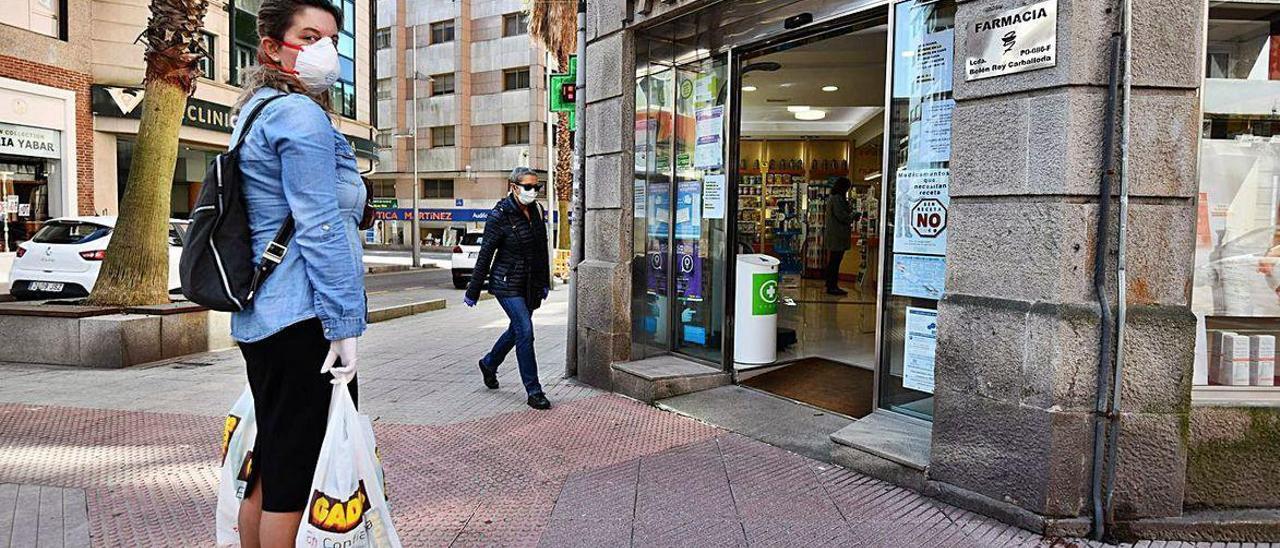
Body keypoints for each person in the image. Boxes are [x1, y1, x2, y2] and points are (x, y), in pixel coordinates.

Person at [227, 0, 367, 545]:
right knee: (297, 472)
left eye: (331, 38)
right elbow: (321, 227)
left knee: (271, 463)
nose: (324, 51)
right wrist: (344, 324)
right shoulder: (299, 114)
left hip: (265, 316)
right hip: (303, 317)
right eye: (309, 37)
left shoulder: (257, 108)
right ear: (271, 46)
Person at [465, 167, 553, 410]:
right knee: (525, 330)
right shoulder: (499, 215)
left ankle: (489, 363)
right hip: (506, 284)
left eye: (537, 187)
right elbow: (485, 255)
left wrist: (544, 281)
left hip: (529, 284)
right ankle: (534, 391)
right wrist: (473, 290)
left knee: (516, 330)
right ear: (514, 187)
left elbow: (541, 249)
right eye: (528, 187)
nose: (533, 191)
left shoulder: (536, 210)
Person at [823, 177, 857, 296]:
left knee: (833, 261)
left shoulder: (833, 198)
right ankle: (832, 286)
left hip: (834, 235)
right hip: (837, 235)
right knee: (835, 262)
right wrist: (853, 215)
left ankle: (830, 284)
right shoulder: (837, 199)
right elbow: (842, 216)